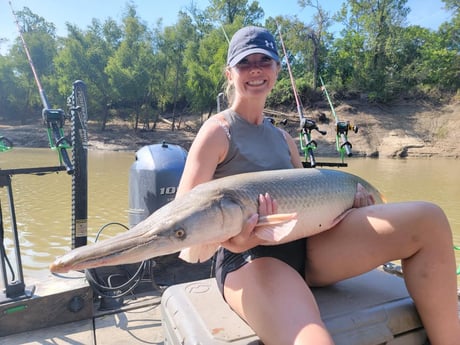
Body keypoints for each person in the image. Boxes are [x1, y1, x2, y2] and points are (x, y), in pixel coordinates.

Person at [176, 26, 460, 345]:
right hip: (250, 259)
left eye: (264, 61)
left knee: (429, 219)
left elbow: (309, 214)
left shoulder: (284, 140)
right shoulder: (217, 132)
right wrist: (233, 241)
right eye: (244, 63)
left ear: (277, 70)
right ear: (229, 74)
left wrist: (349, 210)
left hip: (310, 249)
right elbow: (186, 234)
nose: (255, 69)